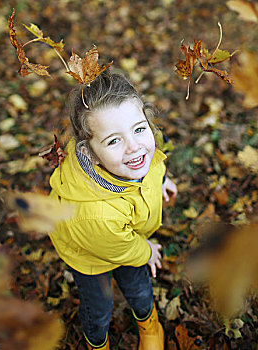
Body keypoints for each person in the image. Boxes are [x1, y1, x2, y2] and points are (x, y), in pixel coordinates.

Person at [48, 71, 177, 350]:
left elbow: (154, 164)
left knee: (139, 289)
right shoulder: (95, 214)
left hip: (123, 237)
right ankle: (97, 342)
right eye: (114, 141)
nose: (134, 147)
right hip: (90, 252)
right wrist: (147, 251)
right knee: (99, 305)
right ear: (90, 154)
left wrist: (163, 180)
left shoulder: (141, 154)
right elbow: (118, 249)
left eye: (139, 129)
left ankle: (148, 322)